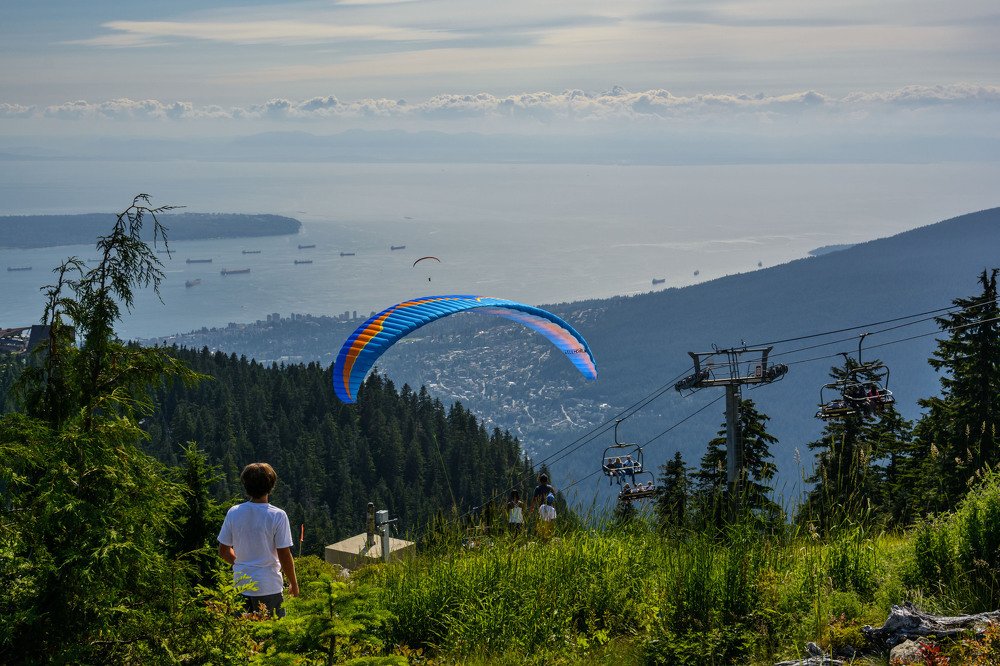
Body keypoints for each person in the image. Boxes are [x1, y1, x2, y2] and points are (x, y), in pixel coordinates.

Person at [218, 462, 299, 618]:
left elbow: (223, 551)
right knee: (271, 630)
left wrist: (242, 564)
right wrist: (293, 584)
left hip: (241, 585)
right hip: (268, 586)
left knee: (242, 630)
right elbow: (284, 554)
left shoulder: (234, 512)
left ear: (246, 485)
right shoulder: (277, 515)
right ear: (271, 485)